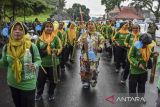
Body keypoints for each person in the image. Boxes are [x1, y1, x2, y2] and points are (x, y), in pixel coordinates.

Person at [0, 22, 41, 107]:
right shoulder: (6, 47)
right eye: (14, 29)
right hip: (13, 83)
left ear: (24, 32)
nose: (17, 31)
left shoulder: (31, 46)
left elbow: (38, 60)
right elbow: (4, 63)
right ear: (11, 32)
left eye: (20, 29)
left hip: (28, 83)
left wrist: (35, 65)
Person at [35, 21, 62, 101]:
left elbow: (60, 47)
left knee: (53, 80)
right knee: (40, 80)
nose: (49, 28)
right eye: (47, 26)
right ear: (44, 28)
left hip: (54, 64)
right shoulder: (39, 40)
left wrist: (56, 51)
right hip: (42, 64)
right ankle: (39, 94)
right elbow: (36, 51)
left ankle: (51, 93)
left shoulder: (56, 38)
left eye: (51, 27)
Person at [128, 33, 158, 103]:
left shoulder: (148, 47)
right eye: (144, 44)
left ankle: (141, 98)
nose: (145, 45)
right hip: (134, 71)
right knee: (133, 86)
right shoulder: (135, 46)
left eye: (147, 44)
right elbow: (130, 56)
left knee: (142, 86)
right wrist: (138, 63)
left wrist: (154, 54)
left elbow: (149, 55)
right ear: (141, 41)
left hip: (144, 71)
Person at [78, 21, 104, 88]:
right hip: (84, 55)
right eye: (88, 24)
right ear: (86, 26)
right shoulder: (83, 34)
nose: (90, 25)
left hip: (94, 55)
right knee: (84, 69)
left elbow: (102, 42)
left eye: (91, 24)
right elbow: (79, 42)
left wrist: (100, 48)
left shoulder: (98, 34)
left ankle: (93, 80)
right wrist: (83, 44)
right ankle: (85, 82)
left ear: (94, 25)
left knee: (93, 69)